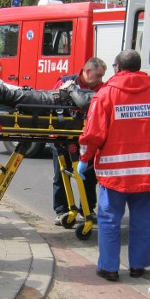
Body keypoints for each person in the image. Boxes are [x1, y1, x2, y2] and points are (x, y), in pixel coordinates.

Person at [78, 50, 150, 281]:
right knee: (143, 221)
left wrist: (84, 159)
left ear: (117, 68)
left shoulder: (105, 96)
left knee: (109, 220)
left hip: (114, 174)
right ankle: (138, 266)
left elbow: (93, 134)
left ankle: (109, 268)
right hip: (147, 172)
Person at [52, 57, 107, 226]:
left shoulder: (101, 88)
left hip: (87, 138)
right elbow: (53, 101)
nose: (100, 79)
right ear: (88, 71)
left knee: (89, 176)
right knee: (61, 174)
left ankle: (87, 210)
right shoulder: (64, 82)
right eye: (98, 75)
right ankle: (62, 211)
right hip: (62, 136)